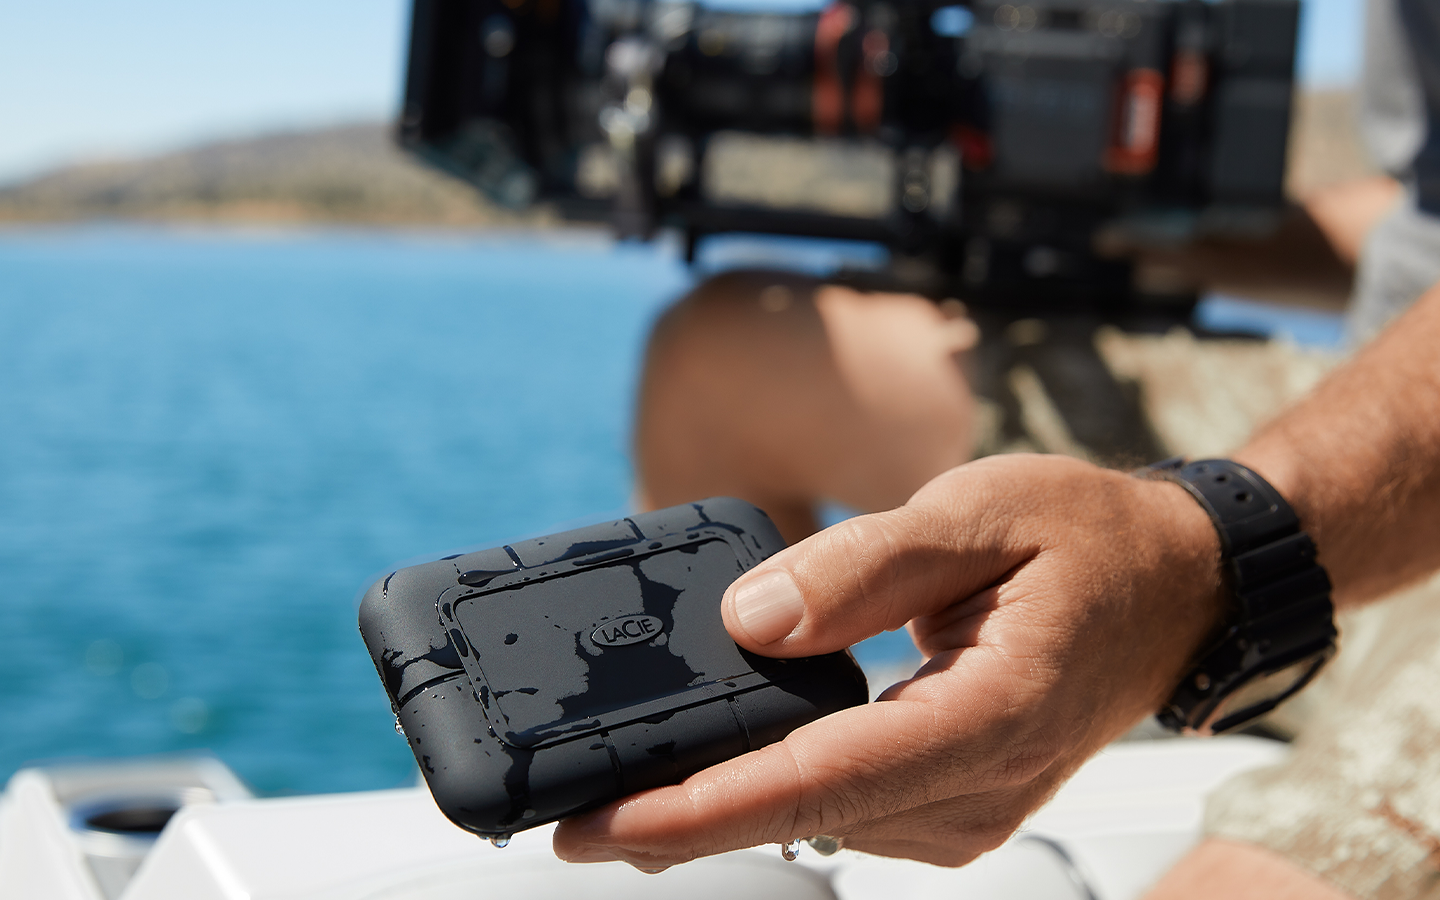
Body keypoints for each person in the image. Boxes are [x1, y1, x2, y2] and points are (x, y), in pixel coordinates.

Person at [559, 1, 1440, 896]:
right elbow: (1418, 210)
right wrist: (1116, 217)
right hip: (1383, 367)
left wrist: (1206, 547)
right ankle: (758, 773)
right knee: (721, 368)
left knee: (1266, 875)